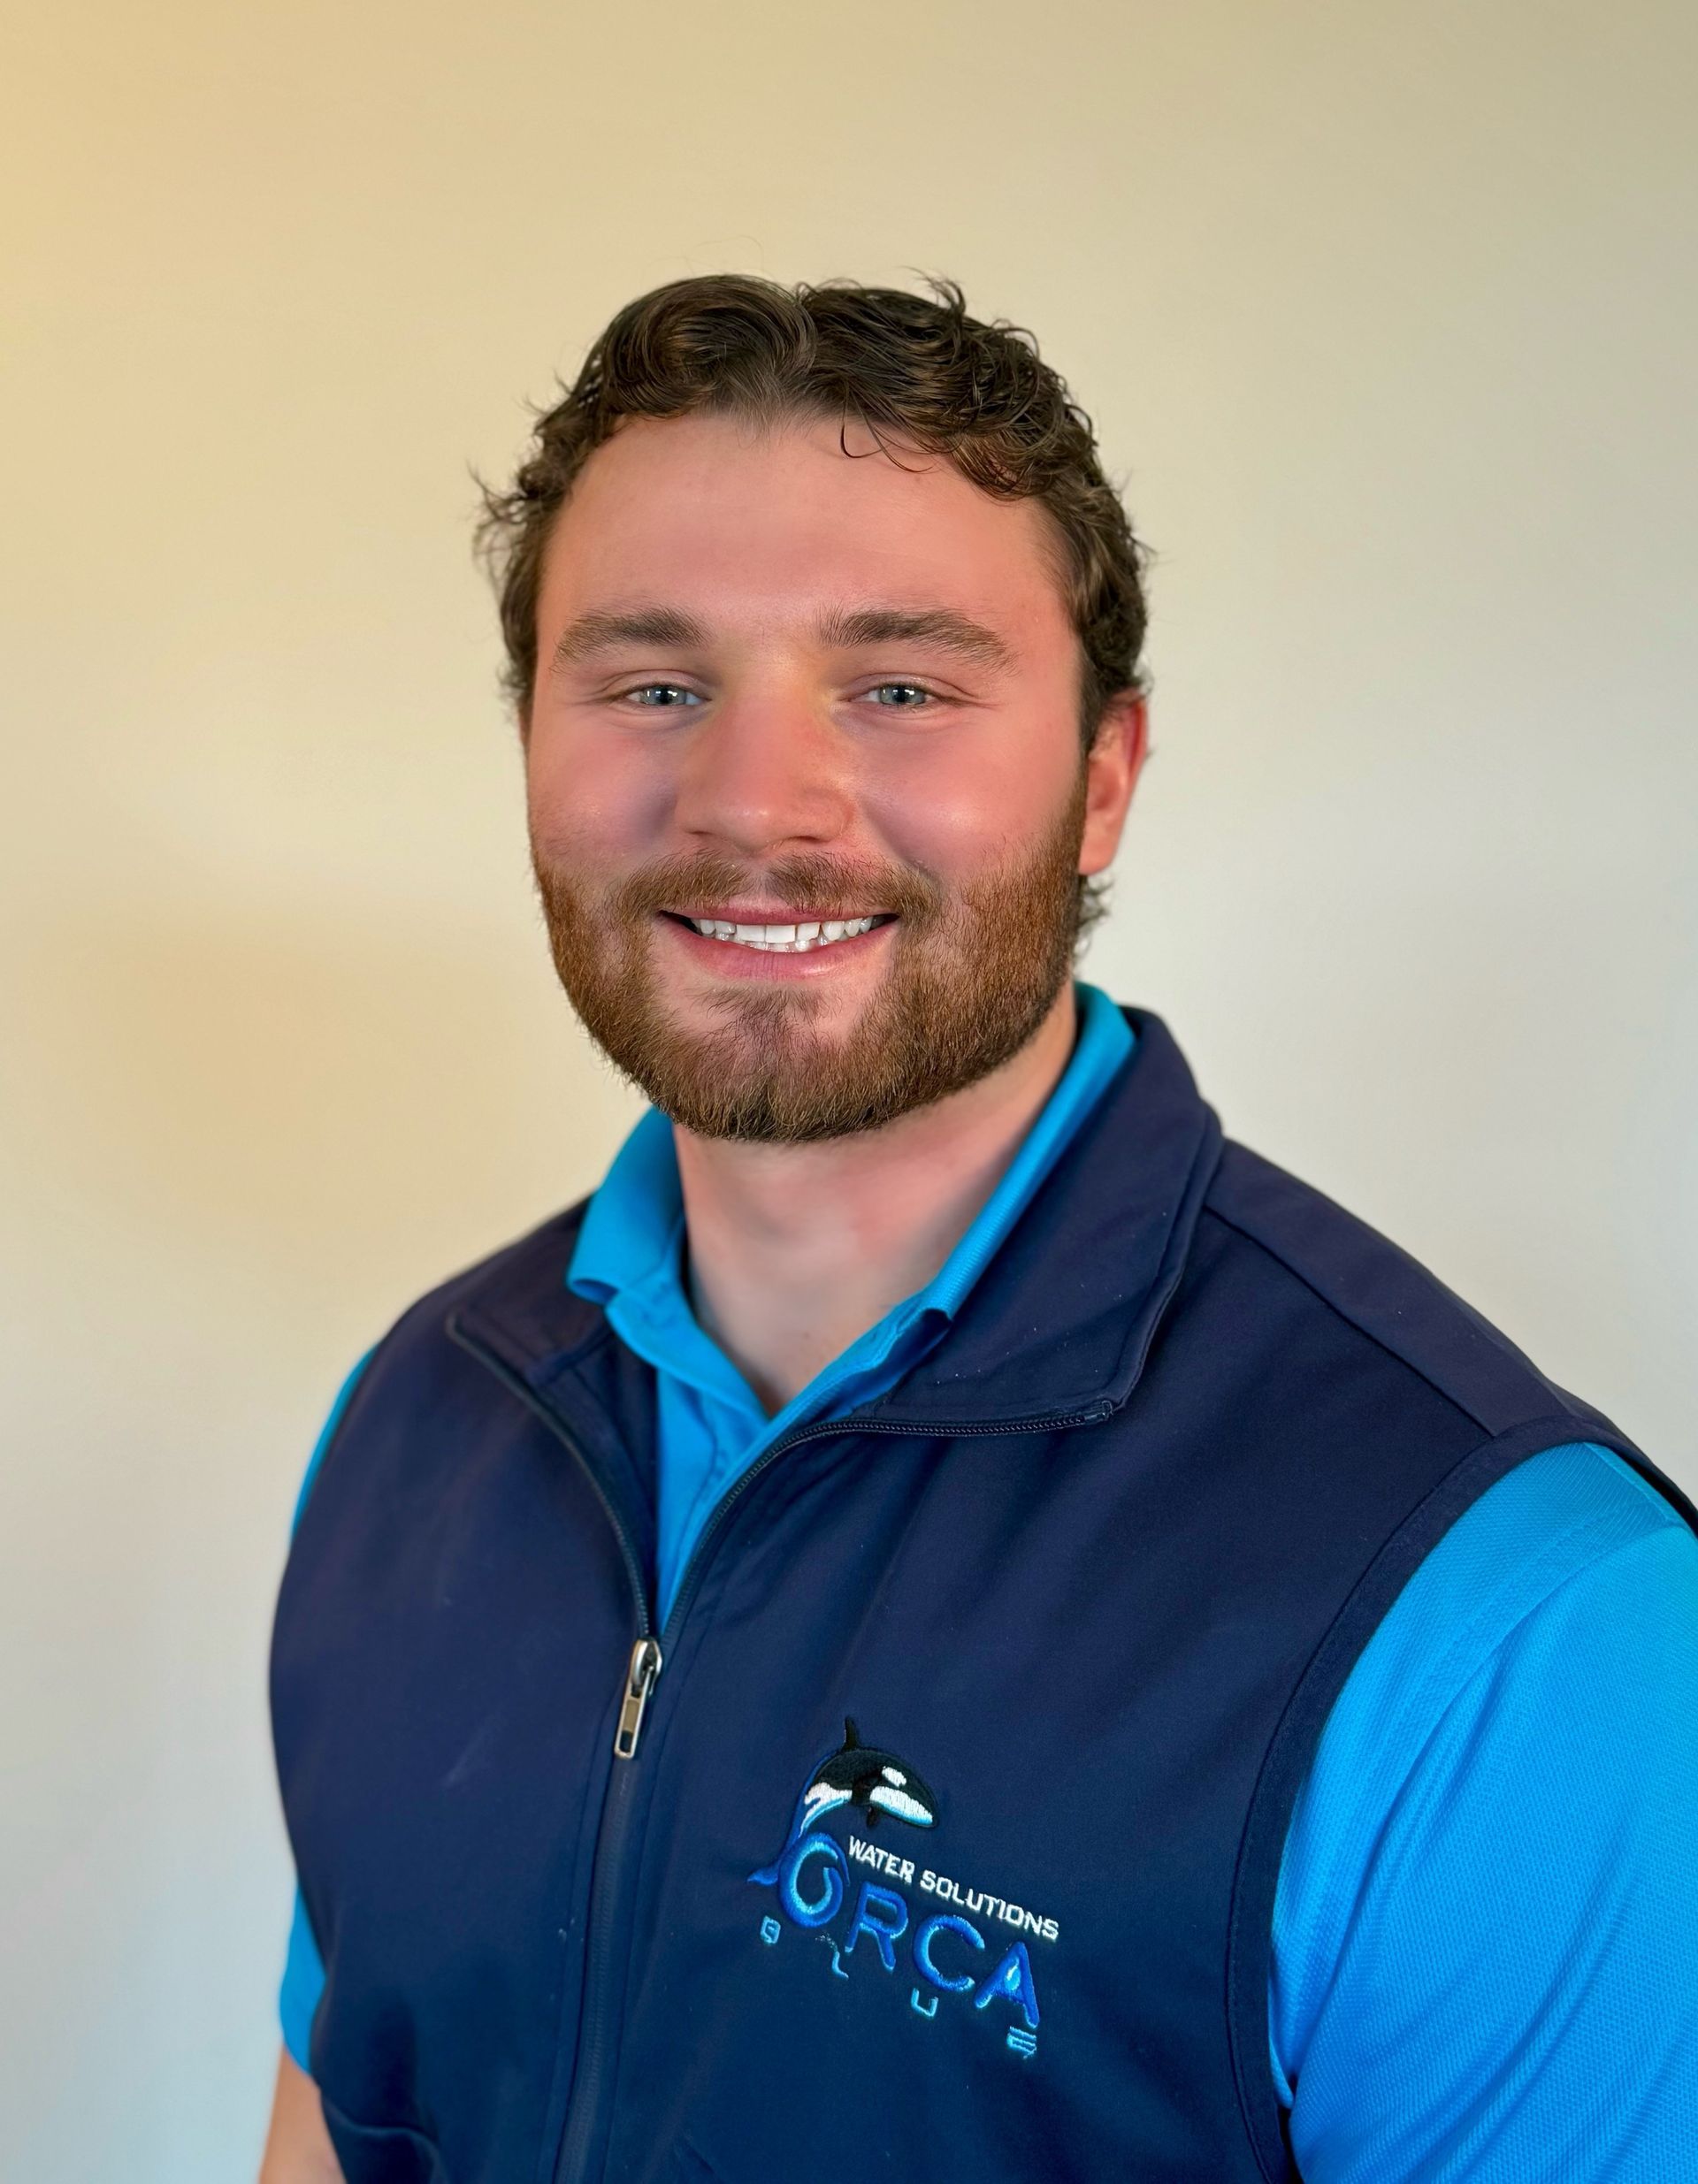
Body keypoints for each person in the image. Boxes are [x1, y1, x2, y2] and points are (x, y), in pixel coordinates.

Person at [259, 274, 1698, 2184]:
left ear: (1103, 779)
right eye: (654, 684)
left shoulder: (1517, 1621)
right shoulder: (415, 1421)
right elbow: (338, 2119)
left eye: (901, 688)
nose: (755, 801)